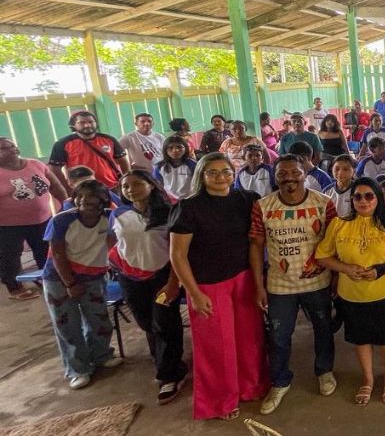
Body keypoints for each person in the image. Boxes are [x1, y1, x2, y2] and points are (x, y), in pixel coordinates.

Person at [168, 153, 268, 420]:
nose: (220, 177)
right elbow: (177, 256)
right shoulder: (188, 207)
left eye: (225, 171)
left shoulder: (245, 200)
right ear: (201, 174)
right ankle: (221, 401)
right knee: (217, 346)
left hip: (243, 278)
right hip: (207, 284)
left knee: (250, 339)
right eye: (212, 172)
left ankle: (251, 387)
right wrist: (194, 293)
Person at [249, 155, 338, 414]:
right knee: (278, 337)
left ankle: (325, 371)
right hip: (279, 286)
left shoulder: (324, 203)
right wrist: (259, 285)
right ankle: (279, 381)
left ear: (305, 173)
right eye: (282, 173)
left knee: (323, 329)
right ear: (275, 176)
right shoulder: (263, 206)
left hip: (318, 282)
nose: (289, 177)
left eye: (295, 172)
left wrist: (335, 277)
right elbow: (255, 248)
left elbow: (334, 244)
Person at [316, 177, 385, 405]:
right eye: (358, 196)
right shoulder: (339, 224)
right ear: (351, 200)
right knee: (361, 338)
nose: (363, 201)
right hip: (351, 293)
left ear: (378, 198)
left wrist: (382, 268)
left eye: (369, 196)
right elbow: (322, 255)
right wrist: (345, 268)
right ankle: (367, 378)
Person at [111, 170, 187, 404]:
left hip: (162, 276)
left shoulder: (169, 211)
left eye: (136, 184)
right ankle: (165, 361)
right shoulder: (119, 213)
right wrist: (117, 264)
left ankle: (170, 375)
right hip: (131, 278)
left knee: (165, 322)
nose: (130, 189)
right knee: (147, 323)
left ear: (151, 185)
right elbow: (114, 241)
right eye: (125, 186)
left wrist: (174, 282)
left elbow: (179, 251)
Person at [41, 179, 123, 389]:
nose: (86, 201)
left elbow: (114, 244)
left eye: (93, 197)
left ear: (103, 199)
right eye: (81, 197)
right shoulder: (61, 220)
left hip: (94, 276)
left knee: (99, 319)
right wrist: (69, 283)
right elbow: (58, 253)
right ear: (74, 199)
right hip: (59, 278)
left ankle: (101, 355)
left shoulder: (109, 218)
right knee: (67, 324)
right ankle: (77, 369)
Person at [0, 136, 64, 301]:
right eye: (4, 148)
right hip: (8, 225)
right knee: (10, 256)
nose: (11, 150)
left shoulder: (36, 164)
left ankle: (47, 279)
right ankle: (15, 287)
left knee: (45, 251)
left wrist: (66, 205)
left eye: (12, 146)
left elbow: (56, 186)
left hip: (42, 219)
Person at [49, 111, 130, 193]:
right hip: (83, 190)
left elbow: (123, 161)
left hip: (113, 187)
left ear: (95, 123)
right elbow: (55, 169)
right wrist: (67, 188)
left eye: (91, 122)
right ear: (73, 125)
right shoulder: (62, 144)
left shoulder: (109, 139)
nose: (87, 125)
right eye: (81, 122)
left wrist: (126, 181)